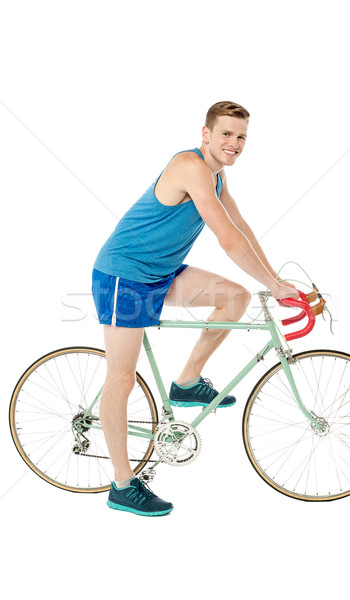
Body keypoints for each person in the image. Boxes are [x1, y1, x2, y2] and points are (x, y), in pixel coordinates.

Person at [92, 101, 299, 517]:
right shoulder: (191, 167)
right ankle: (122, 484)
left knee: (235, 297)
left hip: (163, 273)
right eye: (226, 134)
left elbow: (242, 229)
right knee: (122, 380)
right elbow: (226, 238)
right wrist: (273, 286)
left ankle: (185, 383)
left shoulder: (218, 178)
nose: (234, 143)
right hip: (125, 275)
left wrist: (278, 281)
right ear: (205, 134)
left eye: (241, 137)